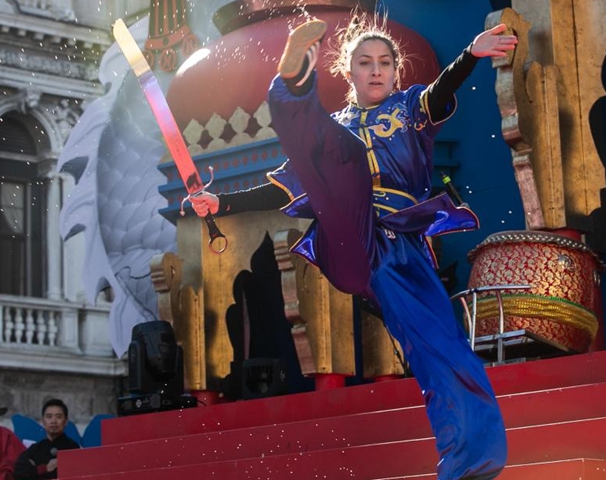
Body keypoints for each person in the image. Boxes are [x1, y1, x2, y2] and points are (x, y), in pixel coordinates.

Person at [191, 14, 517, 480]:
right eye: (365, 62)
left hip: (402, 247)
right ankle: (294, 84)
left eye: (385, 62)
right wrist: (221, 202)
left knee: (443, 350)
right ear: (349, 72)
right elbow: (285, 188)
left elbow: (441, 90)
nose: (376, 70)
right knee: (337, 154)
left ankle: (470, 464)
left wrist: (470, 55)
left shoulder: (409, 109)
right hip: (349, 233)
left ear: (396, 71)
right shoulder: (338, 129)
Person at [13, 399, 80, 480]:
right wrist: (43, 469)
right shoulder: (35, 449)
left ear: (66, 421)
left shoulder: (73, 448)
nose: (53, 421)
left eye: (58, 417)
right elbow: (18, 472)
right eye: (49, 417)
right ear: (43, 421)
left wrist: (34, 469)